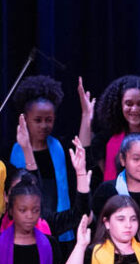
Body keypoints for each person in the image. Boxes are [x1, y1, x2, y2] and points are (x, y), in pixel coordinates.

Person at [8, 75, 84, 242]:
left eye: (48, 120)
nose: (44, 125)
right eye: (38, 120)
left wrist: (86, 114)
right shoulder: (14, 151)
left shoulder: (58, 147)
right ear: (25, 119)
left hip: (59, 226)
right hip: (28, 226)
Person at [80, 75, 140, 182]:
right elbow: (84, 159)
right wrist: (85, 116)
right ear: (120, 105)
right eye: (128, 104)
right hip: (115, 197)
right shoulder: (106, 139)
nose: (134, 109)